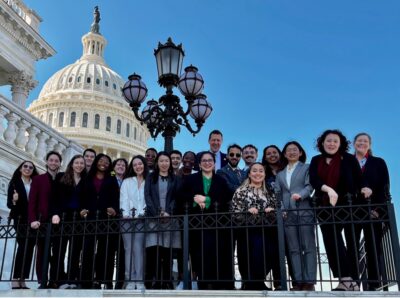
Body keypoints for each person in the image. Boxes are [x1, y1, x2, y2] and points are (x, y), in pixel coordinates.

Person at [309, 129, 363, 291]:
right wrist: (329, 190)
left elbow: (358, 181)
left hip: (348, 205)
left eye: (335, 141)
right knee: (331, 241)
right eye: (328, 140)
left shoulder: (349, 159)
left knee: (352, 243)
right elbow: (314, 180)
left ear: (340, 144)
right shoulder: (316, 160)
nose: (331, 143)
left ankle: (352, 281)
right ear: (322, 143)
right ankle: (345, 279)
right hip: (325, 205)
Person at [181, 151, 234, 290]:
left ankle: (217, 284)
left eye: (210, 160)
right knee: (199, 255)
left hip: (217, 225)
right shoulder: (190, 179)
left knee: (217, 255)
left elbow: (226, 197)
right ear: (199, 164)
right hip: (196, 225)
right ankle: (203, 284)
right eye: (204, 161)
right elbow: (181, 195)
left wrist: (207, 199)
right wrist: (195, 200)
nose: (207, 163)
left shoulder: (221, 180)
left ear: (214, 163)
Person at [275, 141, 316, 291]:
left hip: (304, 209)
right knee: (294, 248)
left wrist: (301, 195)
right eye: (288, 150)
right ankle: (298, 281)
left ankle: (309, 281)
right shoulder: (280, 174)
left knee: (308, 246)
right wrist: (282, 209)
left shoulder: (307, 167)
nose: (292, 152)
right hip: (287, 214)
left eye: (295, 150)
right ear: (284, 154)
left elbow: (310, 186)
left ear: (300, 152)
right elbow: (278, 194)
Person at [353, 132, 390, 291]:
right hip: (351, 211)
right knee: (352, 247)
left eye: (365, 141)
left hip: (372, 211)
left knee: (373, 247)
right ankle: (353, 283)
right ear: (354, 143)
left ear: (369, 144)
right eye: (359, 141)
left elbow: (384, 187)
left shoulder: (378, 162)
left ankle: (375, 283)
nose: (362, 143)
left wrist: (378, 210)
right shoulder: (347, 162)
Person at [231, 162, 277, 290]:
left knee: (268, 254)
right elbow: (235, 211)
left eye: (261, 171)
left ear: (264, 174)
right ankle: (249, 282)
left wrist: (270, 209)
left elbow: (277, 208)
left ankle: (259, 281)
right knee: (247, 256)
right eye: (254, 171)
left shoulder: (269, 190)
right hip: (246, 230)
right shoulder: (241, 190)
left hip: (266, 230)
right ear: (249, 174)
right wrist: (247, 210)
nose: (258, 173)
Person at [79, 154, 120, 289]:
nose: (104, 163)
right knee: (87, 249)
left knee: (105, 250)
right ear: (96, 162)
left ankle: (103, 279)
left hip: (105, 217)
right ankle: (86, 279)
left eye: (107, 162)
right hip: (90, 217)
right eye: (101, 161)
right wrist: (81, 209)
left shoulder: (112, 178)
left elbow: (116, 196)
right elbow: (81, 195)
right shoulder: (87, 178)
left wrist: (114, 209)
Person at [144, 151, 181, 289]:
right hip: (154, 217)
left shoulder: (175, 178)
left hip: (170, 218)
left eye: (167, 161)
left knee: (168, 251)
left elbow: (177, 197)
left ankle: (167, 280)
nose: (164, 163)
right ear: (157, 163)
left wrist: (168, 213)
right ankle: (154, 280)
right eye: (161, 161)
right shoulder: (150, 177)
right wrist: (157, 213)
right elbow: (147, 196)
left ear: (170, 163)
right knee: (154, 250)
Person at [49, 155, 86, 289]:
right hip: (62, 217)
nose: (79, 165)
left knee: (75, 251)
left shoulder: (85, 180)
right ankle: (56, 279)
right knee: (59, 249)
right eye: (76, 163)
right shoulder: (61, 177)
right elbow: (54, 198)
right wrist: (55, 214)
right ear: (71, 164)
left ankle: (72, 278)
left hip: (78, 218)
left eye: (81, 163)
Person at [28, 151, 63, 288]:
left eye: (56, 160)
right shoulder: (38, 179)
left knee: (58, 252)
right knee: (43, 253)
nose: (54, 163)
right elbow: (32, 201)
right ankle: (42, 280)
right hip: (42, 221)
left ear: (60, 163)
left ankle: (54, 280)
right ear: (47, 161)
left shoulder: (62, 179)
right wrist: (32, 219)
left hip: (59, 221)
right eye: (51, 160)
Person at [7, 161, 38, 289]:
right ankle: (15, 278)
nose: (28, 169)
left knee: (30, 248)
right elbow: (9, 204)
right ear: (20, 168)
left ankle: (23, 279)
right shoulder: (14, 183)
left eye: (31, 167)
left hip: (32, 220)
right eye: (25, 166)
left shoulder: (34, 183)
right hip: (20, 219)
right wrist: (14, 200)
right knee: (22, 246)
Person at [120, 155, 149, 290]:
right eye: (135, 164)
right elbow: (124, 198)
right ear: (132, 167)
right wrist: (126, 215)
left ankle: (139, 280)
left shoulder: (149, 181)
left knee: (138, 249)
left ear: (144, 165)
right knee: (128, 249)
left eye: (140, 164)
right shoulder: (127, 181)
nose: (138, 166)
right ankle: (130, 279)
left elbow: (149, 200)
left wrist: (141, 214)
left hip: (141, 220)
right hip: (126, 219)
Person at [261, 144, 284, 289]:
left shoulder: (286, 169)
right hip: (269, 217)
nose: (272, 155)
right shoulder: (263, 172)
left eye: (274, 152)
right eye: (268, 153)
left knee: (285, 250)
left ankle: (284, 282)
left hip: (288, 214)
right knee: (272, 249)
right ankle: (275, 281)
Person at [111, 158, 128, 289]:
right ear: (114, 167)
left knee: (123, 252)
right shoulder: (109, 180)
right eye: (118, 164)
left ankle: (120, 281)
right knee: (109, 252)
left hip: (125, 220)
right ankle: (107, 280)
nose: (121, 166)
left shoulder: (128, 181)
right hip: (111, 220)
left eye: (123, 165)